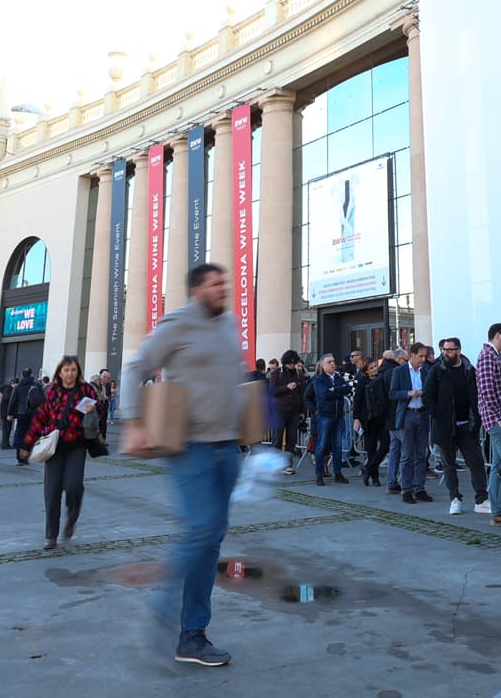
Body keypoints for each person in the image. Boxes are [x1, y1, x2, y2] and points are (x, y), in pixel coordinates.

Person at [126, 262, 245, 668]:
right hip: (190, 446)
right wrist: (135, 422)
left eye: (224, 283)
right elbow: (136, 368)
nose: (223, 289)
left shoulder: (228, 324)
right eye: (216, 284)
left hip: (226, 448)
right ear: (197, 289)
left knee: (210, 541)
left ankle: (193, 636)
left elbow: (233, 379)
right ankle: (161, 610)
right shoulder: (177, 323)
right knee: (200, 530)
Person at [19, 357, 100, 547]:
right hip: (54, 446)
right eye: (66, 370)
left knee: (74, 486)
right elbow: (40, 418)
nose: (70, 373)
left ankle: (72, 517)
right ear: (60, 372)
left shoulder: (86, 390)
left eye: (73, 370)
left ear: (77, 372)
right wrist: (26, 444)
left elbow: (99, 414)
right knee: (52, 490)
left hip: (77, 445)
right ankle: (51, 535)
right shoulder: (51, 392)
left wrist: (92, 410)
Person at [431, 337, 488, 514]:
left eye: (450, 350)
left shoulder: (470, 370)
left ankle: (481, 499)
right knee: (449, 464)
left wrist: (477, 418)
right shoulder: (437, 371)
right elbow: (428, 395)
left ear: (458, 350)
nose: (446, 353)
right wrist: (438, 414)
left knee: (476, 463)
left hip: (467, 425)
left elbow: (479, 393)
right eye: (444, 350)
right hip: (445, 426)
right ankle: (454, 498)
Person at [388, 342, 437, 504]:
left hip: (422, 414)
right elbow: (393, 393)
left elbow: (432, 391)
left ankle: (420, 488)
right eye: (420, 356)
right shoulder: (399, 371)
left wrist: (427, 395)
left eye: (425, 356)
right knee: (407, 454)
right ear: (412, 355)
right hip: (408, 414)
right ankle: (406, 489)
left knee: (421, 454)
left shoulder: (427, 371)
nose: (423, 359)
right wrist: (408, 393)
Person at [476, 322, 501, 527]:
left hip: (496, 419)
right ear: (499, 336)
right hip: (496, 420)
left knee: (500, 465)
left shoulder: (493, 356)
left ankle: (498, 511)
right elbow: (488, 391)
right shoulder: (487, 357)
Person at [308, 356, 350, 486]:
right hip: (325, 415)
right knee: (321, 445)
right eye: (329, 362)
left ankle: (338, 473)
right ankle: (319, 474)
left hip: (338, 415)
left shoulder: (338, 377)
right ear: (322, 365)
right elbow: (324, 394)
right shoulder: (319, 379)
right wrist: (338, 391)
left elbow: (347, 389)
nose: (333, 364)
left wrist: (335, 390)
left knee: (337, 445)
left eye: (333, 361)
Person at [354, 356, 391, 485]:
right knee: (371, 448)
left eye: (375, 366)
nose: (375, 369)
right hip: (368, 419)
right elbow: (357, 401)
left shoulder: (382, 379)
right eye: (371, 368)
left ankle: (368, 468)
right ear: (366, 371)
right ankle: (374, 477)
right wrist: (356, 419)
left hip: (381, 418)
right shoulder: (362, 382)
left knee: (386, 444)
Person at [270, 354, 307, 472]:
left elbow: (302, 394)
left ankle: (287, 464)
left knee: (292, 438)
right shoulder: (276, 373)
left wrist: (302, 411)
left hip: (294, 410)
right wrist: (286, 387)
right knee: (278, 438)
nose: (292, 365)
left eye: (294, 363)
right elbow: (273, 391)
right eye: (290, 363)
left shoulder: (298, 374)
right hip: (279, 410)